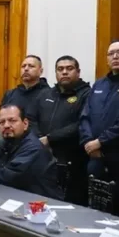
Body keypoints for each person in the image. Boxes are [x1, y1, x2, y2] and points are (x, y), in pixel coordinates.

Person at [36, 56, 90, 204]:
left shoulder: (86, 94)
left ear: (78, 72)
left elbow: (81, 124)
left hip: (73, 161)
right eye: (60, 69)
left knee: (70, 204)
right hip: (44, 157)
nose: (64, 72)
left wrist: (50, 138)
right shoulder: (46, 94)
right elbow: (31, 119)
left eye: (69, 68)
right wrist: (38, 138)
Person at [80, 40, 119, 189]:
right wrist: (89, 142)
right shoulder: (99, 84)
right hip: (96, 156)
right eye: (111, 54)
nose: (115, 56)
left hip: (116, 154)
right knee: (95, 200)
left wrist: (100, 141)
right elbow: (85, 116)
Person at [0, 55, 49, 121]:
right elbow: (1, 119)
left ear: (41, 71)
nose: (26, 69)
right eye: (23, 66)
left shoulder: (49, 95)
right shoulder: (10, 94)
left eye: (31, 66)